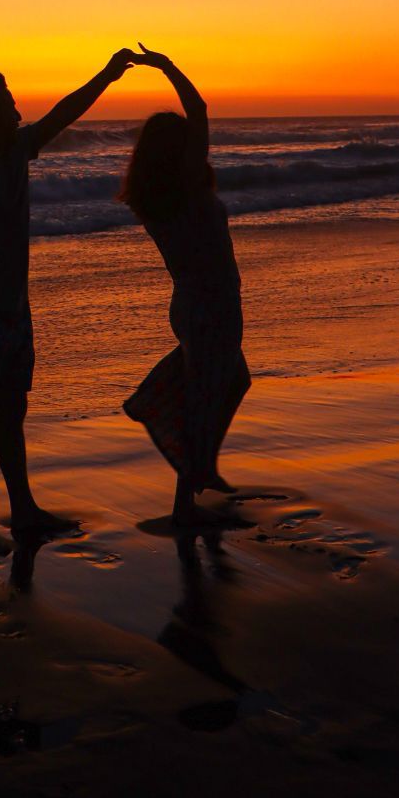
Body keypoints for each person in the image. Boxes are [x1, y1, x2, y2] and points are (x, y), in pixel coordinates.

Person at [0, 50, 135, 554]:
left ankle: (24, 510)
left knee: (12, 411)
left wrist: (106, 74)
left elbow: (64, 114)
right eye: (6, 102)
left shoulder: (17, 150)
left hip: (15, 309)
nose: (17, 110)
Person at [119, 44, 251, 526]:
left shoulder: (154, 199)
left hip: (192, 303)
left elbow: (196, 118)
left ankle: (202, 469)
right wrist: (166, 66)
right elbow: (200, 109)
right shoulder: (189, 189)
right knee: (207, 395)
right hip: (213, 304)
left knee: (231, 381)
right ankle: (186, 499)